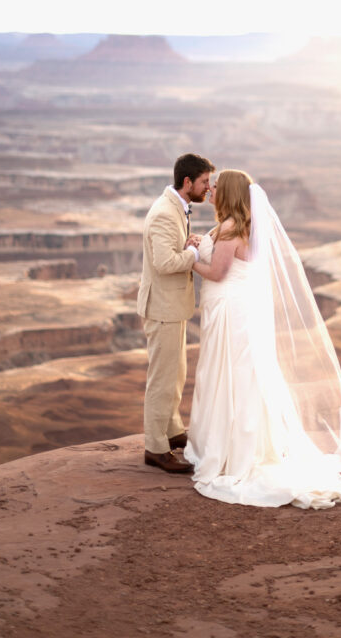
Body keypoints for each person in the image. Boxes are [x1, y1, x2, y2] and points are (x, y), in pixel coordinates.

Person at [184, 169, 341, 510]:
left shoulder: (228, 228)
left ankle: (230, 453)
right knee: (245, 376)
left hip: (229, 312)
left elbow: (217, 273)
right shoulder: (246, 226)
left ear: (230, 193)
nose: (211, 190)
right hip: (239, 311)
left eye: (217, 187)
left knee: (228, 376)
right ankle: (251, 444)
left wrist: (190, 257)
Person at [138, 152, 215, 473]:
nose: (208, 188)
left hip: (172, 306)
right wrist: (194, 251)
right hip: (162, 308)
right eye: (204, 182)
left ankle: (171, 431)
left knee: (176, 374)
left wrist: (188, 243)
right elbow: (165, 262)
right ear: (187, 182)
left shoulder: (176, 208)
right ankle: (155, 448)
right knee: (163, 378)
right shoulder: (163, 214)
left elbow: (173, 250)